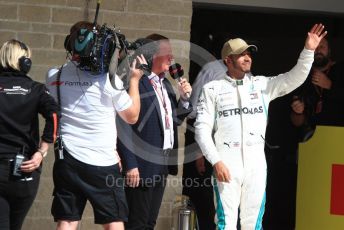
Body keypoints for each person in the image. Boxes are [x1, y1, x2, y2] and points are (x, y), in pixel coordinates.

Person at [194, 24, 327, 229]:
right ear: (227, 60)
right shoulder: (212, 89)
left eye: (249, 53)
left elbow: (295, 77)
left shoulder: (262, 85)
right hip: (226, 164)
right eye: (241, 55)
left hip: (257, 165)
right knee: (225, 223)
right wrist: (216, 161)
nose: (247, 58)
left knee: (253, 223)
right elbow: (202, 130)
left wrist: (308, 50)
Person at [46, 21, 145, 230]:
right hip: (102, 162)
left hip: (67, 160)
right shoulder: (109, 81)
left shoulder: (54, 75)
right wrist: (134, 81)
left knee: (67, 220)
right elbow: (132, 116)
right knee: (113, 221)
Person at [117, 34, 192, 229]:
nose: (171, 57)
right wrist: (130, 164)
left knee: (150, 222)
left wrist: (184, 99)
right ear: (150, 56)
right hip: (141, 165)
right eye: (165, 52)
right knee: (136, 223)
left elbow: (172, 121)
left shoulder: (165, 84)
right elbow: (122, 126)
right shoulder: (135, 82)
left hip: (162, 164)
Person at [0, 39, 58, 230]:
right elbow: (55, 116)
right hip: (25, 169)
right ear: (25, 63)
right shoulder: (36, 89)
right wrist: (41, 151)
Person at [182, 58, 227, 230]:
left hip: (233, 152)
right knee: (206, 202)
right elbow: (194, 112)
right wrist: (198, 152)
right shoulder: (212, 70)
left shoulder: (248, 77)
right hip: (208, 149)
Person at [291, 37, 344, 128]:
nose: (318, 50)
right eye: (314, 48)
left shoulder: (340, 69)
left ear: (329, 50)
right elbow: (297, 123)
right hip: (312, 137)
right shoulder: (301, 77)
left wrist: (329, 85)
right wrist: (298, 112)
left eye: (322, 47)